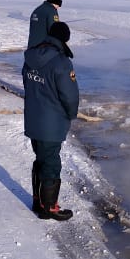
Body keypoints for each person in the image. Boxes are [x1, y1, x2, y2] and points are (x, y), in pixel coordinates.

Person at [22, 20, 78, 221]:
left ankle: (39, 201)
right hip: (51, 122)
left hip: (34, 118)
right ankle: (49, 208)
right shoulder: (62, 62)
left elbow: (27, 83)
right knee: (51, 163)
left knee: (41, 159)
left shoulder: (31, 57)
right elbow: (69, 95)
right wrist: (72, 113)